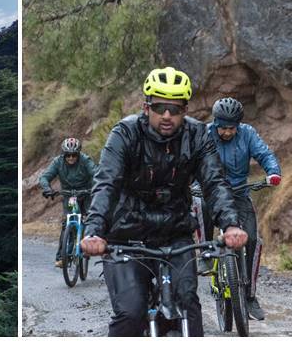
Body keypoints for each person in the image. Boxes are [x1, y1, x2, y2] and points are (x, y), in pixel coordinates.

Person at [81, 67, 248, 337]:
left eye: (175, 108)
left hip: (175, 233)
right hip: (126, 235)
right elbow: (106, 183)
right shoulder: (124, 134)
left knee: (189, 308)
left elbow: (214, 182)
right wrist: (94, 231)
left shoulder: (197, 135)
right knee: (131, 313)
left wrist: (230, 224)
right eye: (160, 107)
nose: (167, 115)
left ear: (185, 109)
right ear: (146, 107)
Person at [204, 97, 282, 321]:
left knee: (253, 240)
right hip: (211, 192)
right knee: (199, 205)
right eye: (223, 128)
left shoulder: (247, 133)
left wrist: (273, 172)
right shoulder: (203, 135)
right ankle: (207, 254)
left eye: (232, 128)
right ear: (215, 123)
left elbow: (265, 154)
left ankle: (249, 296)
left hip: (239, 192)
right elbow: (191, 160)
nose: (227, 132)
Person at [37, 137, 97, 268]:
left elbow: (96, 173)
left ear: (78, 153)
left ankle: (87, 245)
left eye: (74, 155)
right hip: (70, 196)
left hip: (86, 193)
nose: (71, 158)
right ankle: (62, 257)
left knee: (90, 219)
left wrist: (97, 186)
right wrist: (47, 188)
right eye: (67, 155)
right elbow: (44, 177)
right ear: (63, 154)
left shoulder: (85, 160)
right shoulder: (57, 162)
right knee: (68, 224)